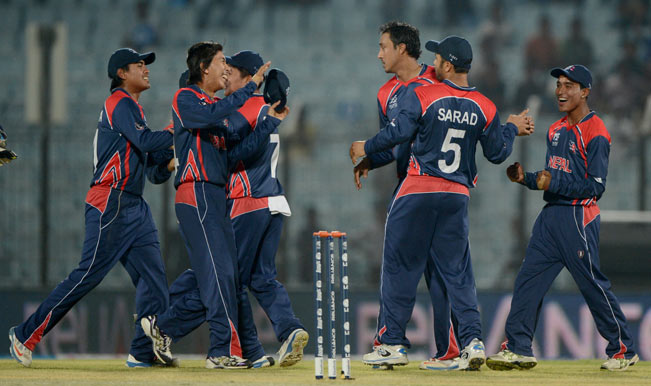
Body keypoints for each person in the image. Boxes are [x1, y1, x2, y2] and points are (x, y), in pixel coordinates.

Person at [349, 35, 533, 371]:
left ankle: (391, 343)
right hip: (457, 195)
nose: (432, 62)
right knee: (458, 273)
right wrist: (508, 128)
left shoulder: (421, 93)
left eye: (437, 58)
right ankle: (473, 342)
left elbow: (398, 133)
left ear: (447, 65)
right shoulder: (485, 105)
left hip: (418, 189)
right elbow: (497, 153)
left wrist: (366, 147)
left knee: (400, 266)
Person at [8, 48, 176, 368]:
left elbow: (154, 171)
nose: (146, 70)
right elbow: (146, 143)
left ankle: (142, 353)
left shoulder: (135, 112)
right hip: (110, 201)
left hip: (133, 205)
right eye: (139, 65)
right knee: (86, 275)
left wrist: (171, 163)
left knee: (153, 280)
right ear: (121, 74)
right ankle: (24, 335)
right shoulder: (119, 103)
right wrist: (175, 131)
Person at [486, 64, 639, 372]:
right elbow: (551, 176)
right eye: (558, 84)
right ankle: (518, 348)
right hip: (550, 217)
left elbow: (596, 187)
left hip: (578, 218)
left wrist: (549, 183)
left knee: (591, 284)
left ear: (585, 92)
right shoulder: (555, 129)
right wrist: (525, 178)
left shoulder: (597, 132)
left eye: (569, 85)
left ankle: (623, 349)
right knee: (528, 281)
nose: (560, 90)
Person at [353, 21, 461, 371]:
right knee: (435, 271)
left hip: (435, 188)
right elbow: (395, 142)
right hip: (413, 187)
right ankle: (434, 347)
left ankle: (405, 343)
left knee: (430, 272)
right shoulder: (386, 94)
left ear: (402, 48)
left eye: (383, 46)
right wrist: (372, 158)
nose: (379, 53)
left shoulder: (439, 77)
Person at [166, 41, 278, 370]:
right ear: (204, 69)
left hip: (215, 194)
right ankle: (219, 351)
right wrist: (250, 87)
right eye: (220, 63)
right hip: (196, 191)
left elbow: (233, 146)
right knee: (218, 274)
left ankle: (162, 329)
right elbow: (215, 116)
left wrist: (271, 119)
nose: (226, 69)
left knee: (229, 275)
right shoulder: (186, 98)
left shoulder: (212, 106)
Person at [224, 51, 308, 367]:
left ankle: (236, 348)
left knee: (229, 279)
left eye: (230, 71)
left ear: (249, 77)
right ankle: (290, 330)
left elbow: (230, 156)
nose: (224, 76)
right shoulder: (267, 107)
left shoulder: (243, 108)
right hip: (274, 201)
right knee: (263, 278)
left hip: (248, 202)